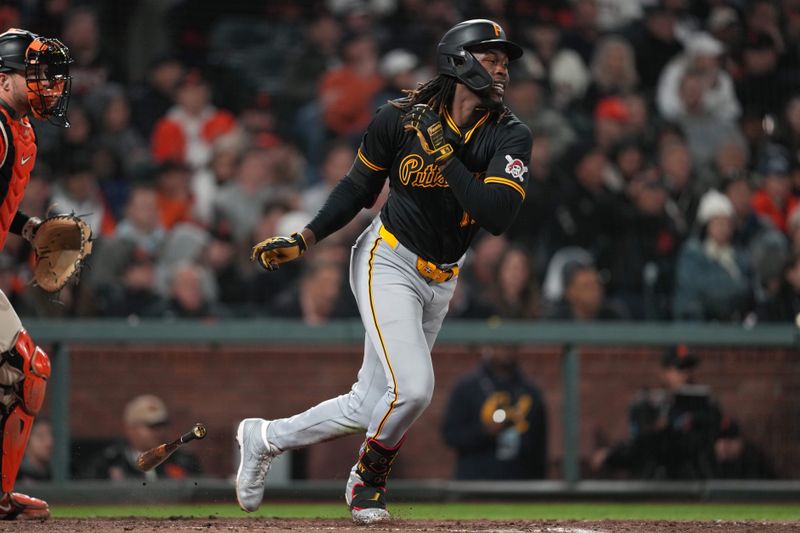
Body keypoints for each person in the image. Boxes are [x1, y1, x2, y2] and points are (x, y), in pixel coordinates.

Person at [236, 19, 531, 524]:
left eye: (505, 58)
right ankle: (367, 480)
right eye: (490, 55)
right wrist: (305, 237)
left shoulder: (510, 133)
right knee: (413, 389)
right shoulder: (398, 118)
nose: (502, 65)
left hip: (442, 276)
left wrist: (444, 157)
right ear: (459, 61)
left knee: (369, 403)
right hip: (387, 257)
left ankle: (263, 438)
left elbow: (496, 216)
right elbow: (357, 189)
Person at [0, 27, 73, 519]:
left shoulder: (17, 127)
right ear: (5, 79)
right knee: (27, 368)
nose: (49, 84)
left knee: (27, 370)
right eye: (38, 74)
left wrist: (27, 228)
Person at [592, 345, 723, 480]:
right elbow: (639, 447)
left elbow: (699, 444)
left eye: (689, 368)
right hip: (654, 482)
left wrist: (670, 426)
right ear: (665, 372)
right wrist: (612, 455)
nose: (686, 374)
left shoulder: (705, 404)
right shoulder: (651, 405)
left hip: (693, 482)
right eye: (679, 368)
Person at [441, 346, 547, 480]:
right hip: (476, 478)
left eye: (511, 345)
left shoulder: (530, 391)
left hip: (520, 481)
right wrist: (484, 431)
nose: (506, 350)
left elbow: (539, 445)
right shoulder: (467, 388)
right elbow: (450, 435)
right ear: (488, 348)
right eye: (499, 345)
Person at [86, 394, 202, 480]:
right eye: (151, 426)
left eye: (162, 425)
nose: (159, 432)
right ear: (130, 429)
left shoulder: (182, 460)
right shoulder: (109, 462)